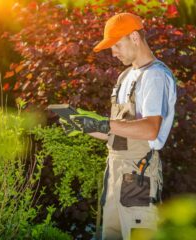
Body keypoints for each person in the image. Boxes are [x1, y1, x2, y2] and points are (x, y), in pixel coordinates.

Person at [71, 13, 177, 239]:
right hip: (115, 174)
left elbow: (150, 129)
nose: (113, 52)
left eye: (117, 45)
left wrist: (104, 123)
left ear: (135, 37)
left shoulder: (155, 76)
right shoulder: (125, 77)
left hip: (138, 179)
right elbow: (116, 133)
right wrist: (83, 124)